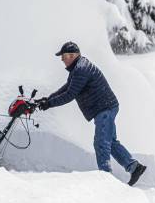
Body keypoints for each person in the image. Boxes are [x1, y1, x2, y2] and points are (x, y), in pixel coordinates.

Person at [36, 41, 147, 186]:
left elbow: (70, 94)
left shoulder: (81, 69)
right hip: (106, 107)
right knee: (110, 142)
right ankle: (134, 167)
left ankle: (106, 180)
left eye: (63, 56)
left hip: (105, 108)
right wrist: (48, 99)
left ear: (72, 55)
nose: (62, 60)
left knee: (101, 143)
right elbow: (66, 88)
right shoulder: (78, 67)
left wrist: (49, 104)